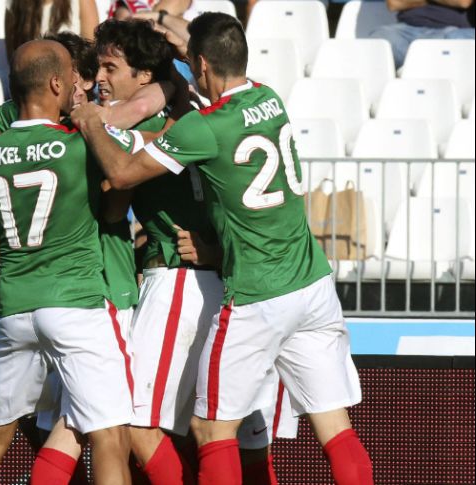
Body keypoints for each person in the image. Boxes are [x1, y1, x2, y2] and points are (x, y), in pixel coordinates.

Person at [71, 12, 373, 485]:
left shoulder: (204, 127)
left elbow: (123, 175)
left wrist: (90, 121)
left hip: (256, 294)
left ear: (203, 66)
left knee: (211, 429)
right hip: (313, 287)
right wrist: (168, 27)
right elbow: (210, 46)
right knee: (336, 431)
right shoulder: (268, 97)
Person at [0, 39, 135, 485]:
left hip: (15, 307)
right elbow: (116, 200)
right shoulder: (78, 143)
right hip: (74, 302)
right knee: (109, 437)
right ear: (58, 82)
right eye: (71, 76)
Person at [369, 0, 475, 68]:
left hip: (453, 34)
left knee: (458, 41)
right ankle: (424, 65)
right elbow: (394, 3)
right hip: (407, 31)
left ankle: (416, 66)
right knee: (379, 40)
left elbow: (463, 2)